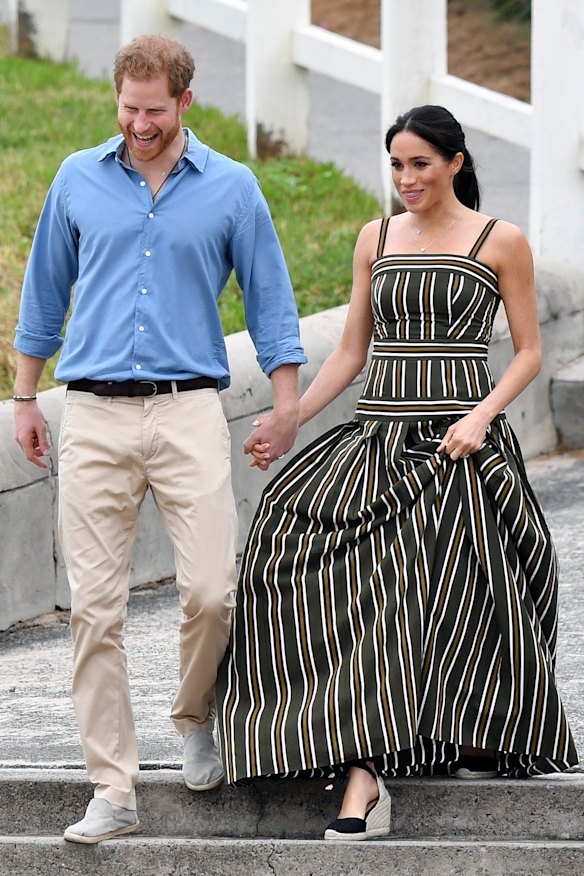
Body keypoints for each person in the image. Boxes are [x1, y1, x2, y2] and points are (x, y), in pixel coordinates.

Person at [217, 105, 578, 841]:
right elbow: (350, 352)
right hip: (376, 440)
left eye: (419, 163)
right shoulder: (374, 237)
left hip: (457, 447)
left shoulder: (498, 240)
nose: (406, 178)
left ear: (453, 161)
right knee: (282, 548)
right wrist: (292, 418)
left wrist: (480, 415)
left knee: (410, 586)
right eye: (396, 165)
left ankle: (373, 773)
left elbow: (529, 351)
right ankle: (324, 745)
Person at [13, 34, 306, 844]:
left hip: (187, 411)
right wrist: (25, 397)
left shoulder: (232, 188)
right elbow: (43, 294)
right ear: (118, 99)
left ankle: (194, 715)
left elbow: (272, 304)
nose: (140, 123)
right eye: (128, 108)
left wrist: (285, 407)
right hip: (95, 413)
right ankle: (113, 786)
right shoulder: (77, 177)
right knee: (94, 613)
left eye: (154, 109)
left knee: (213, 589)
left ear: (184, 101)